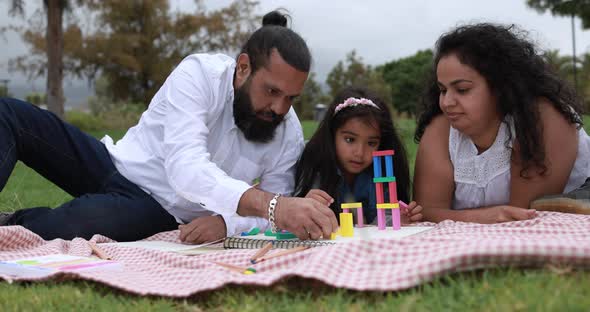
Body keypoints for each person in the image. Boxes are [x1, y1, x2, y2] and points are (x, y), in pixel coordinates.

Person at [0, 11, 338, 242]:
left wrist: (226, 223)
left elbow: (274, 216)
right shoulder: (199, 75)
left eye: (291, 98)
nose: (279, 108)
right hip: (110, 162)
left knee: (81, 223)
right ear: (244, 68)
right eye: (272, 92)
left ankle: (12, 225)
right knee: (11, 115)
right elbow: (186, 167)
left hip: (158, 209)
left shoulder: (289, 132)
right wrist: (275, 206)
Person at [413, 23, 590, 223]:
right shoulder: (440, 129)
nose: (446, 102)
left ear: (502, 87)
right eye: (443, 90)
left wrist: (466, 217)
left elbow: (522, 217)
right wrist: (487, 216)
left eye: (462, 89)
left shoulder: (541, 119)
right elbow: (425, 213)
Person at [293, 86, 423, 225]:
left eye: (371, 143)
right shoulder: (316, 167)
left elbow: (382, 223)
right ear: (332, 134)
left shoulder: (382, 176)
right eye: (350, 140)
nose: (360, 153)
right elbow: (294, 220)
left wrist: (400, 218)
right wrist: (304, 207)